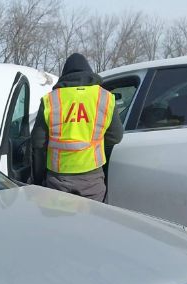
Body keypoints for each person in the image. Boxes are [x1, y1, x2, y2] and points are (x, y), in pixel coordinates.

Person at [30, 53, 123, 201]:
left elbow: (38, 142)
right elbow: (115, 137)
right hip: (92, 180)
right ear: (89, 72)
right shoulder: (105, 97)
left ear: (64, 76)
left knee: (60, 222)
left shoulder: (51, 99)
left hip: (58, 180)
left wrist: (38, 177)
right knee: (92, 220)